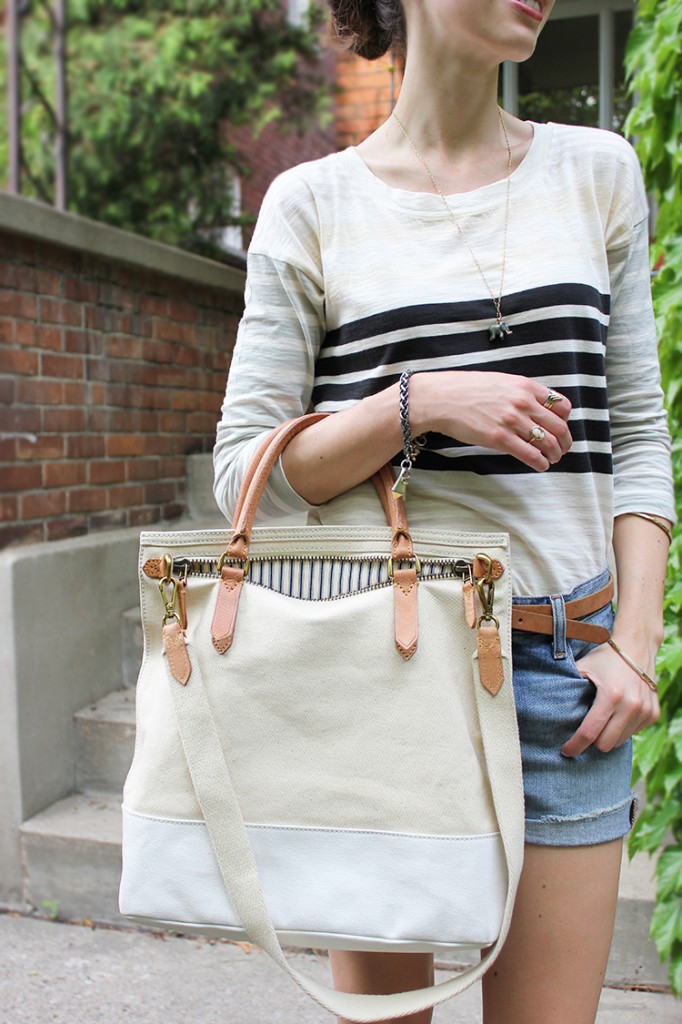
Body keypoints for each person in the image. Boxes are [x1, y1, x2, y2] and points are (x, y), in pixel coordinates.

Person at [213, 2, 675, 1022]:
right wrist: (413, 402)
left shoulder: (596, 172)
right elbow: (244, 468)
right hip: (384, 670)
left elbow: (639, 435)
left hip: (567, 678)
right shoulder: (311, 203)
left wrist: (635, 643)